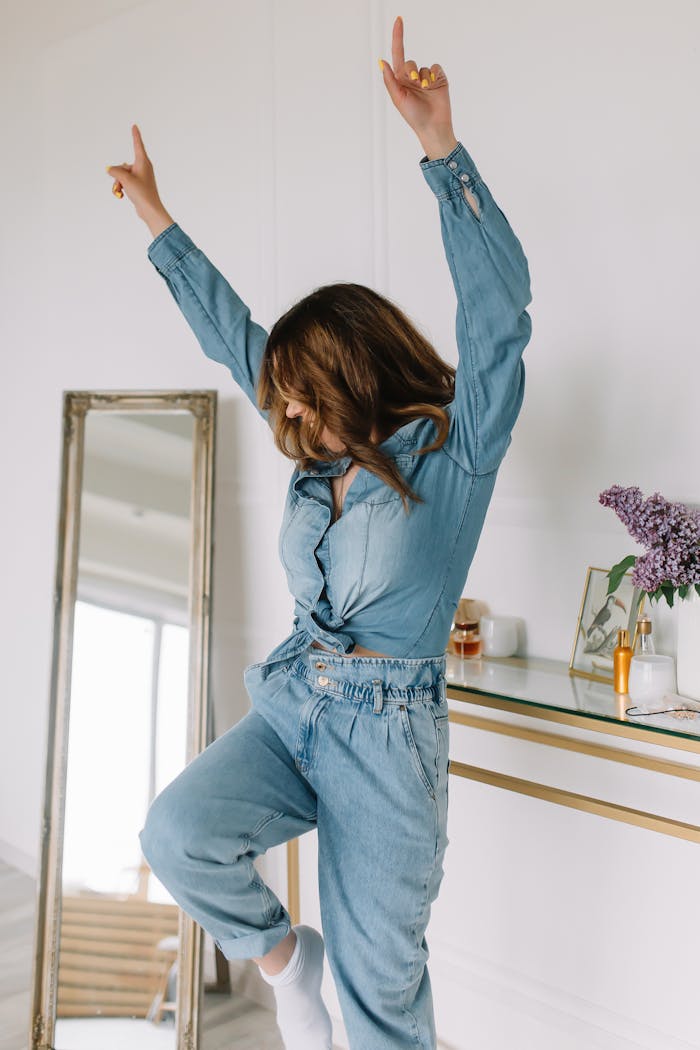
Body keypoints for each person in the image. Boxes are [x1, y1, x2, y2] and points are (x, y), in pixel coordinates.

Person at [107, 15, 532, 1050]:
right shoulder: (321, 458)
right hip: (299, 702)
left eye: (302, 402)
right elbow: (233, 335)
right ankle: (289, 961)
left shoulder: (453, 451)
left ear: (358, 373)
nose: (284, 422)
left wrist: (441, 150)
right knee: (179, 833)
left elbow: (499, 319)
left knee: (385, 1009)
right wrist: (158, 219)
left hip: (388, 748)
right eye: (280, 407)